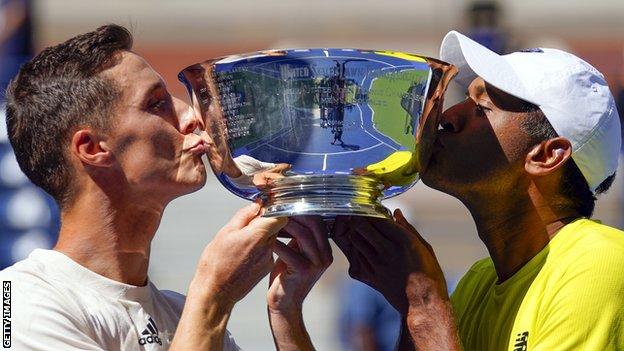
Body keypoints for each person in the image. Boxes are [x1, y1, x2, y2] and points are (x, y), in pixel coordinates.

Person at [0, 24, 332, 350]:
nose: (191, 116)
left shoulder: (179, 315)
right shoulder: (23, 304)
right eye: (156, 103)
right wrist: (212, 296)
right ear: (93, 148)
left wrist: (285, 314)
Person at [333, 30, 624, 350]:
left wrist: (426, 305)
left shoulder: (600, 264)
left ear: (544, 155)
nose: (448, 117)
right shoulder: (477, 282)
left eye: (481, 108)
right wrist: (286, 312)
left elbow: (428, 314)